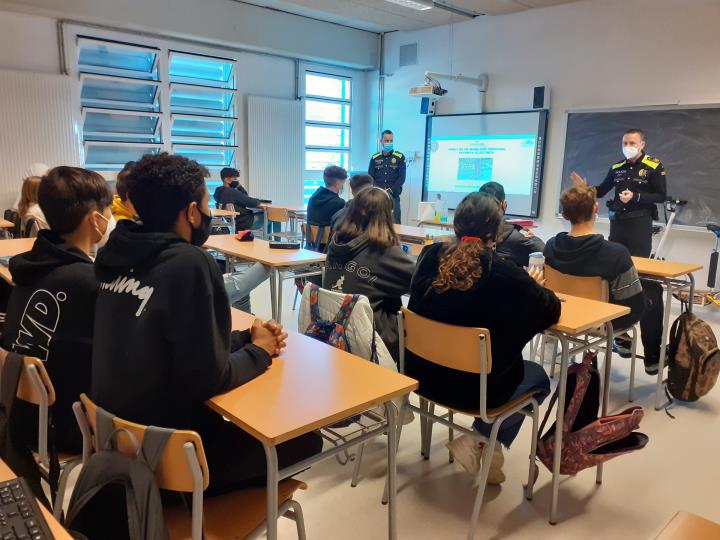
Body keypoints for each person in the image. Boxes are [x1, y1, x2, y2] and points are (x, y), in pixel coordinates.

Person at [91, 153, 321, 493]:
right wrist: (261, 351)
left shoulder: (115, 254)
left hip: (118, 438)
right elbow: (210, 380)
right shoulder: (190, 263)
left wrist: (244, 338)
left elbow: (173, 344)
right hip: (173, 456)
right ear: (192, 212)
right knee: (307, 442)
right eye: (204, 202)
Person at [406, 192, 560, 482]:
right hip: (474, 392)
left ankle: (487, 450)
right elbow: (550, 312)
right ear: (496, 231)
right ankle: (481, 437)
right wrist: (533, 285)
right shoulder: (505, 274)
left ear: (456, 225)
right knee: (538, 377)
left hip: (423, 377)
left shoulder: (429, 257)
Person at [2, 166, 113, 453]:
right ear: (95, 218)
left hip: (19, 413)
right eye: (109, 210)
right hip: (67, 426)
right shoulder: (91, 281)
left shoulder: (30, 268)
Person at [569, 128, 666, 373]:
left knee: (638, 277)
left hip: (640, 224)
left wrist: (635, 197)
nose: (628, 145)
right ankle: (621, 336)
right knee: (614, 275)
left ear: (642, 143)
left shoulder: (654, 166)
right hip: (618, 225)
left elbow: (661, 195)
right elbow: (601, 191)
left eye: (633, 142)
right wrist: (586, 189)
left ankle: (648, 351)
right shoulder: (617, 167)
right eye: (625, 142)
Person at [544, 185, 646, 345]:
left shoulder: (550, 247)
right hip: (602, 322)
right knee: (653, 293)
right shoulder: (616, 254)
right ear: (596, 208)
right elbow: (635, 306)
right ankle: (645, 355)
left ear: (564, 214)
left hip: (562, 313)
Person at [324, 187, 415, 361]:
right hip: (373, 339)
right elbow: (418, 282)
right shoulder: (383, 251)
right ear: (388, 215)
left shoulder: (336, 242)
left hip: (336, 333)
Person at [478, 181, 545, 267]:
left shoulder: (468, 232)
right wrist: (533, 238)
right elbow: (543, 254)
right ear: (504, 204)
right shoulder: (515, 237)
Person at [306, 165, 347, 251]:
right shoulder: (339, 203)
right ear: (339, 183)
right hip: (330, 248)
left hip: (313, 246)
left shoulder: (312, 198)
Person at [368, 130, 406, 224]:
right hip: (377, 197)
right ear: (381, 141)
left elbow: (401, 178)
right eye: (386, 140)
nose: (389, 143)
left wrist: (390, 190)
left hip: (393, 197)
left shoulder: (399, 157)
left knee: (395, 224)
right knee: (376, 223)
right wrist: (380, 190)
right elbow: (370, 177)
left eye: (391, 140)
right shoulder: (375, 158)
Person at [213, 167, 265, 231]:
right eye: (234, 178)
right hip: (245, 223)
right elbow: (251, 202)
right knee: (269, 216)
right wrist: (240, 186)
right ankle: (271, 239)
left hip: (234, 223)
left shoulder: (218, 191)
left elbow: (244, 197)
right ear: (226, 179)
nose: (237, 181)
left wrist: (239, 187)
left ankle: (268, 238)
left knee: (265, 215)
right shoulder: (232, 192)